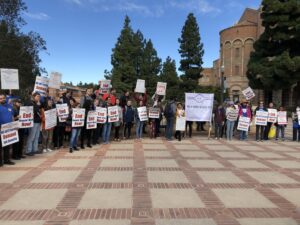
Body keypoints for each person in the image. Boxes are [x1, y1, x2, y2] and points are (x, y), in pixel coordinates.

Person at [0, 93, 15, 165]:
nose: (2, 99)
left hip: (8, 128)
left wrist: (14, 126)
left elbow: (12, 116)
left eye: (3, 98)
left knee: (7, 144)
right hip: (0, 128)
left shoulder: (10, 106)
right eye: (1, 98)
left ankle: (7, 160)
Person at [25, 92, 42, 156]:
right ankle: (28, 150)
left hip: (38, 121)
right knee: (31, 137)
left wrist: (38, 105)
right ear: (34, 96)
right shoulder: (30, 102)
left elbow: (39, 111)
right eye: (37, 96)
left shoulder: (37, 103)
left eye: (39, 97)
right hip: (33, 122)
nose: (38, 98)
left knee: (36, 136)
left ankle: (35, 149)